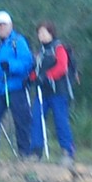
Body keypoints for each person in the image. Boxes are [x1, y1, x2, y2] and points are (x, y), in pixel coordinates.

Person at [0, 11, 38, 159]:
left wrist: (10, 66)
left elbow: (27, 62)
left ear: (10, 25)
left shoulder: (18, 41)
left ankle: (25, 153)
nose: (1, 27)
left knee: (22, 120)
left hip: (16, 87)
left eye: (4, 24)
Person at [35, 22, 76, 169]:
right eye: (39, 33)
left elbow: (62, 67)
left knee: (61, 121)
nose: (41, 35)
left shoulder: (58, 47)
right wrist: (31, 78)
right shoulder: (41, 51)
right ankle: (36, 151)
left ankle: (67, 152)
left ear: (51, 33)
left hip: (58, 91)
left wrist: (46, 76)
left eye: (44, 32)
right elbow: (37, 69)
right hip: (43, 91)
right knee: (37, 118)